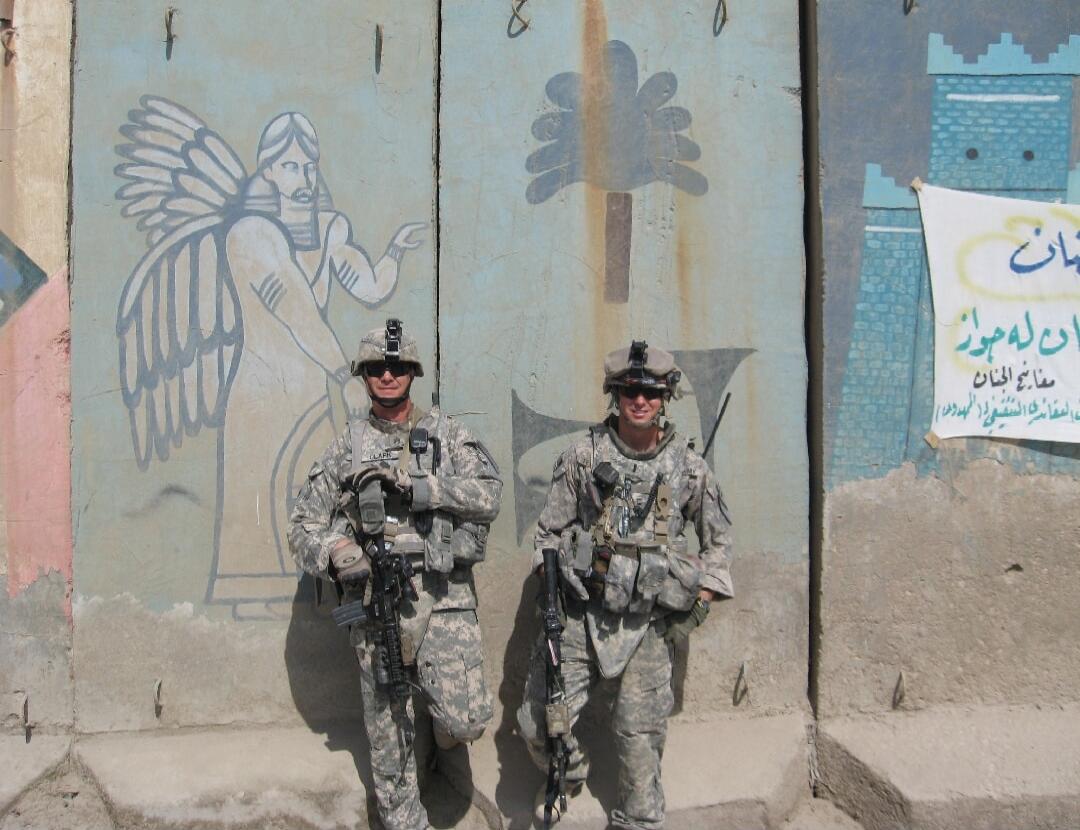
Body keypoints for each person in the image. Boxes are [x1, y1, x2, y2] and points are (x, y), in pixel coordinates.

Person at [288, 319, 501, 830]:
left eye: (397, 366)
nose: (388, 375)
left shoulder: (447, 435)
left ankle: (440, 740)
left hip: (445, 600)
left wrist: (420, 486)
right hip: (377, 609)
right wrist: (338, 549)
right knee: (388, 739)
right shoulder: (347, 448)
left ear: (412, 373)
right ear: (364, 376)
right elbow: (302, 526)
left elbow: (489, 495)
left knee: (467, 718)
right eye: (377, 368)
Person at [516, 340, 734, 830]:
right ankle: (567, 773)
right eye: (630, 390)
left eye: (651, 393)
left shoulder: (689, 468)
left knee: (639, 742)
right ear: (615, 394)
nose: (641, 401)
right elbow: (548, 533)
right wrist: (553, 586)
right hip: (581, 616)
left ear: (665, 398)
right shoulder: (582, 456)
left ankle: (638, 820)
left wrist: (698, 600)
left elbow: (720, 544)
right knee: (536, 725)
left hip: (648, 624)